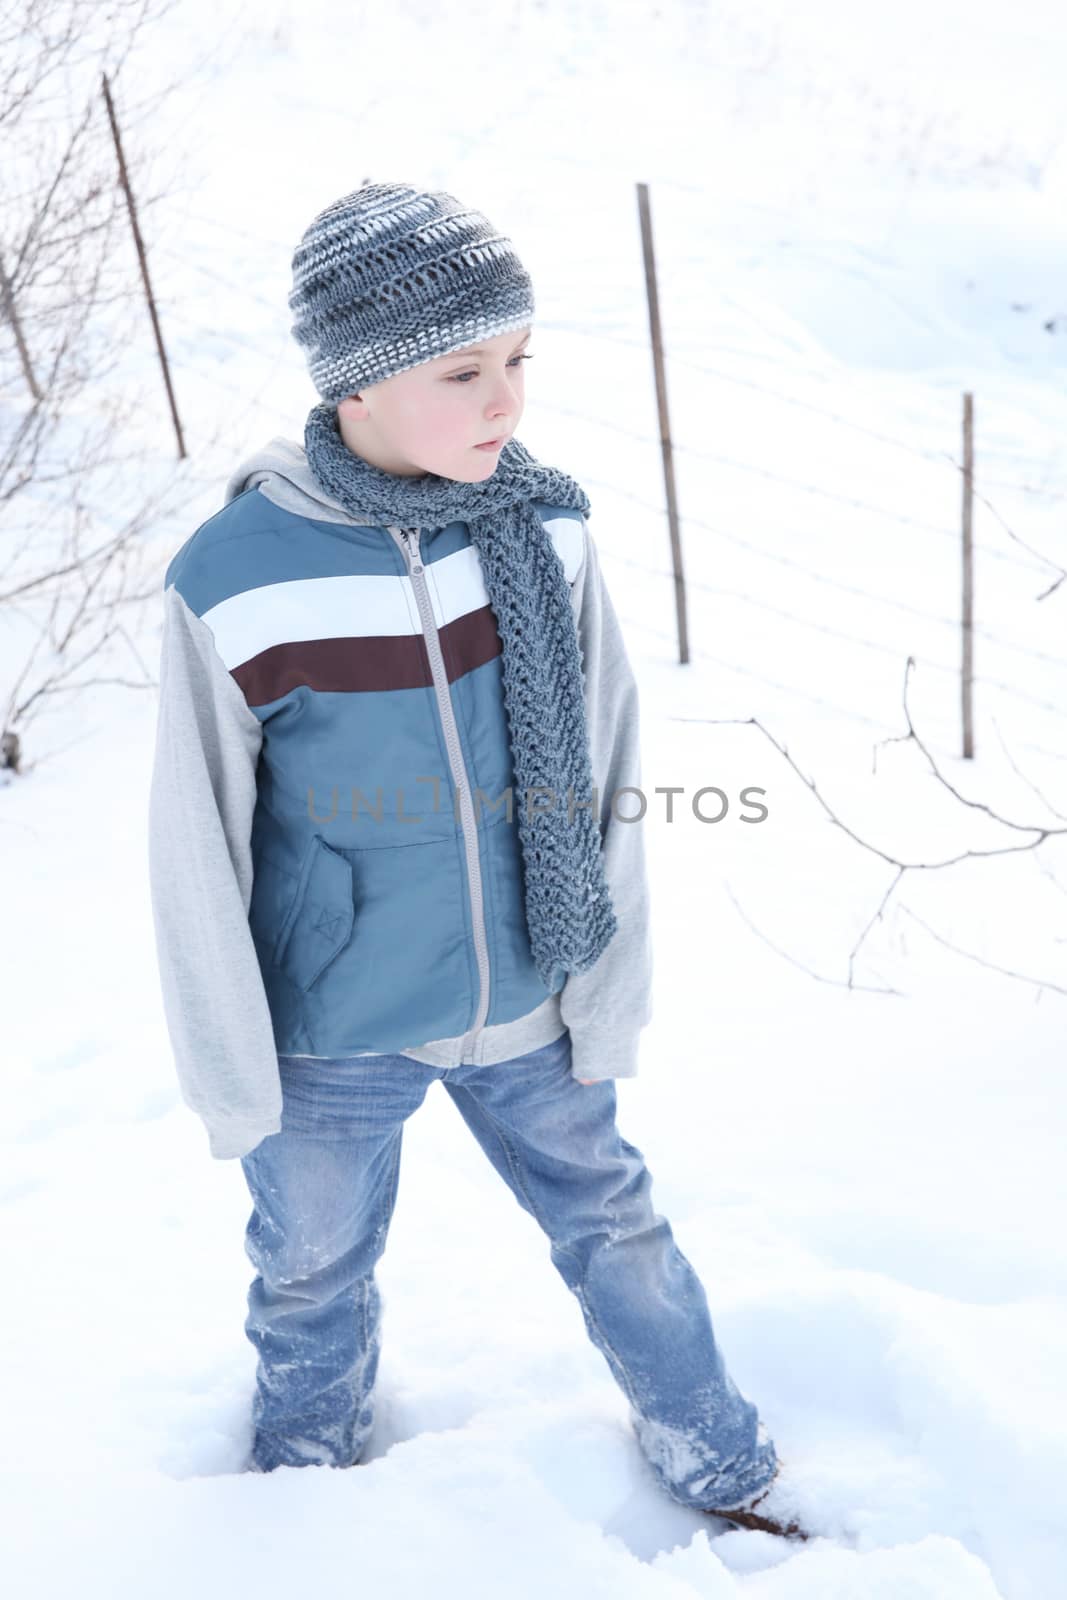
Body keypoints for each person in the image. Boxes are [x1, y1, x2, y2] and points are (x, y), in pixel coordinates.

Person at [146, 180, 807, 1538]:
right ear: (359, 388)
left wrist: (604, 992)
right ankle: (302, 1495)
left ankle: (719, 1458)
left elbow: (610, 769)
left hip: (530, 995)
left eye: (518, 360)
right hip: (331, 1030)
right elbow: (193, 847)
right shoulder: (237, 577)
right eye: (465, 370)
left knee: (615, 1224)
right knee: (311, 1268)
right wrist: (233, 1074)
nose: (506, 399)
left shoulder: (544, 534)